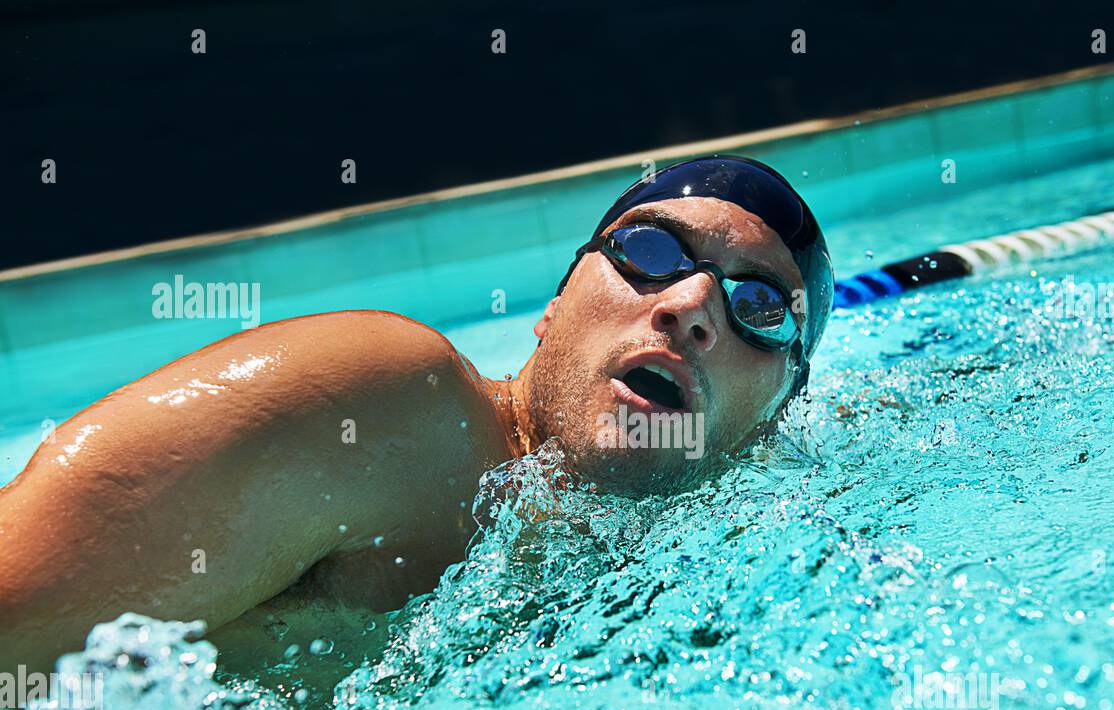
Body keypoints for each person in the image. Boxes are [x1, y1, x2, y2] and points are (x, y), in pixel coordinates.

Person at [0, 155, 833, 674]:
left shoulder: (707, 567)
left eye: (758, 305)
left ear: (771, 418)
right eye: (650, 250)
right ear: (552, 308)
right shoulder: (391, 404)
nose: (691, 305)